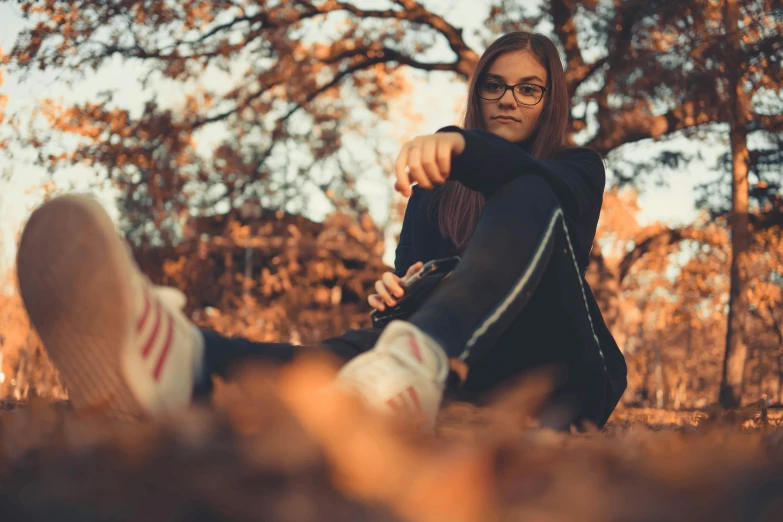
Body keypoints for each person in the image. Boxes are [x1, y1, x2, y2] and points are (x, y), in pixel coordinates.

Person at [16, 31, 627, 430]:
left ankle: (419, 354)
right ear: (478, 93)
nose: (510, 99)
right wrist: (398, 293)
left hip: (567, 372)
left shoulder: (574, 169)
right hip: (463, 372)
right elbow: (403, 281)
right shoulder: (438, 188)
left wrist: (458, 145)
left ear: (551, 102)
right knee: (356, 357)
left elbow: (529, 193)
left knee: (526, 191)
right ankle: (188, 362)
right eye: (495, 85)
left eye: (529, 89)